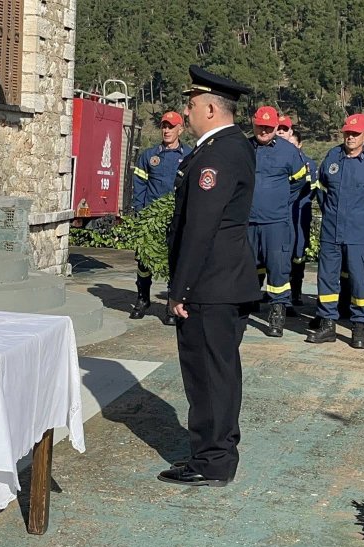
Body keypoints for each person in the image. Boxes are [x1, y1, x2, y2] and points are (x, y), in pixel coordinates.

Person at [159, 64, 259, 487]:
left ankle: (213, 461)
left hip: (210, 283)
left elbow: (200, 226)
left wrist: (179, 288)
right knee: (215, 373)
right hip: (220, 280)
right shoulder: (229, 146)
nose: (187, 111)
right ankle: (211, 453)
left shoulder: (219, 152)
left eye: (192, 104)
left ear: (212, 110)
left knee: (209, 375)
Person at [306, 114, 364, 349]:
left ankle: (359, 327)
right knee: (327, 279)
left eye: (355, 134)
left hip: (359, 234)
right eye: (347, 133)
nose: (350, 137)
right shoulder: (333, 156)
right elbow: (322, 192)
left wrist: (361, 221)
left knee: (360, 282)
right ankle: (327, 324)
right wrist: (333, 215)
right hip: (331, 232)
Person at [247, 106, 308, 336]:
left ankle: (277, 312)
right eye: (260, 127)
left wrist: (279, 199)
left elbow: (299, 180)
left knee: (278, 269)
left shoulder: (288, 151)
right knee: (245, 266)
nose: (264, 131)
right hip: (248, 221)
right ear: (253, 125)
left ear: (275, 127)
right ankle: (244, 305)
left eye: (268, 127)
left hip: (276, 222)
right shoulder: (243, 147)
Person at [130, 111, 192, 325]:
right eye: (164, 126)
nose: (166, 130)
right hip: (150, 218)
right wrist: (140, 212)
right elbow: (139, 185)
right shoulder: (149, 156)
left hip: (176, 217)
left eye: (171, 126)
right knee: (144, 260)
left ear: (180, 129)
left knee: (174, 261)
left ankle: (170, 306)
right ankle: (143, 299)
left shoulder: (190, 155)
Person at [288, 130, 317, 315]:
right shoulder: (282, 161)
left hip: (300, 214)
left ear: (299, 145)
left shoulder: (309, 165)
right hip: (284, 214)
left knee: (298, 253)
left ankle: (296, 291)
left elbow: (312, 191)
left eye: (293, 144)